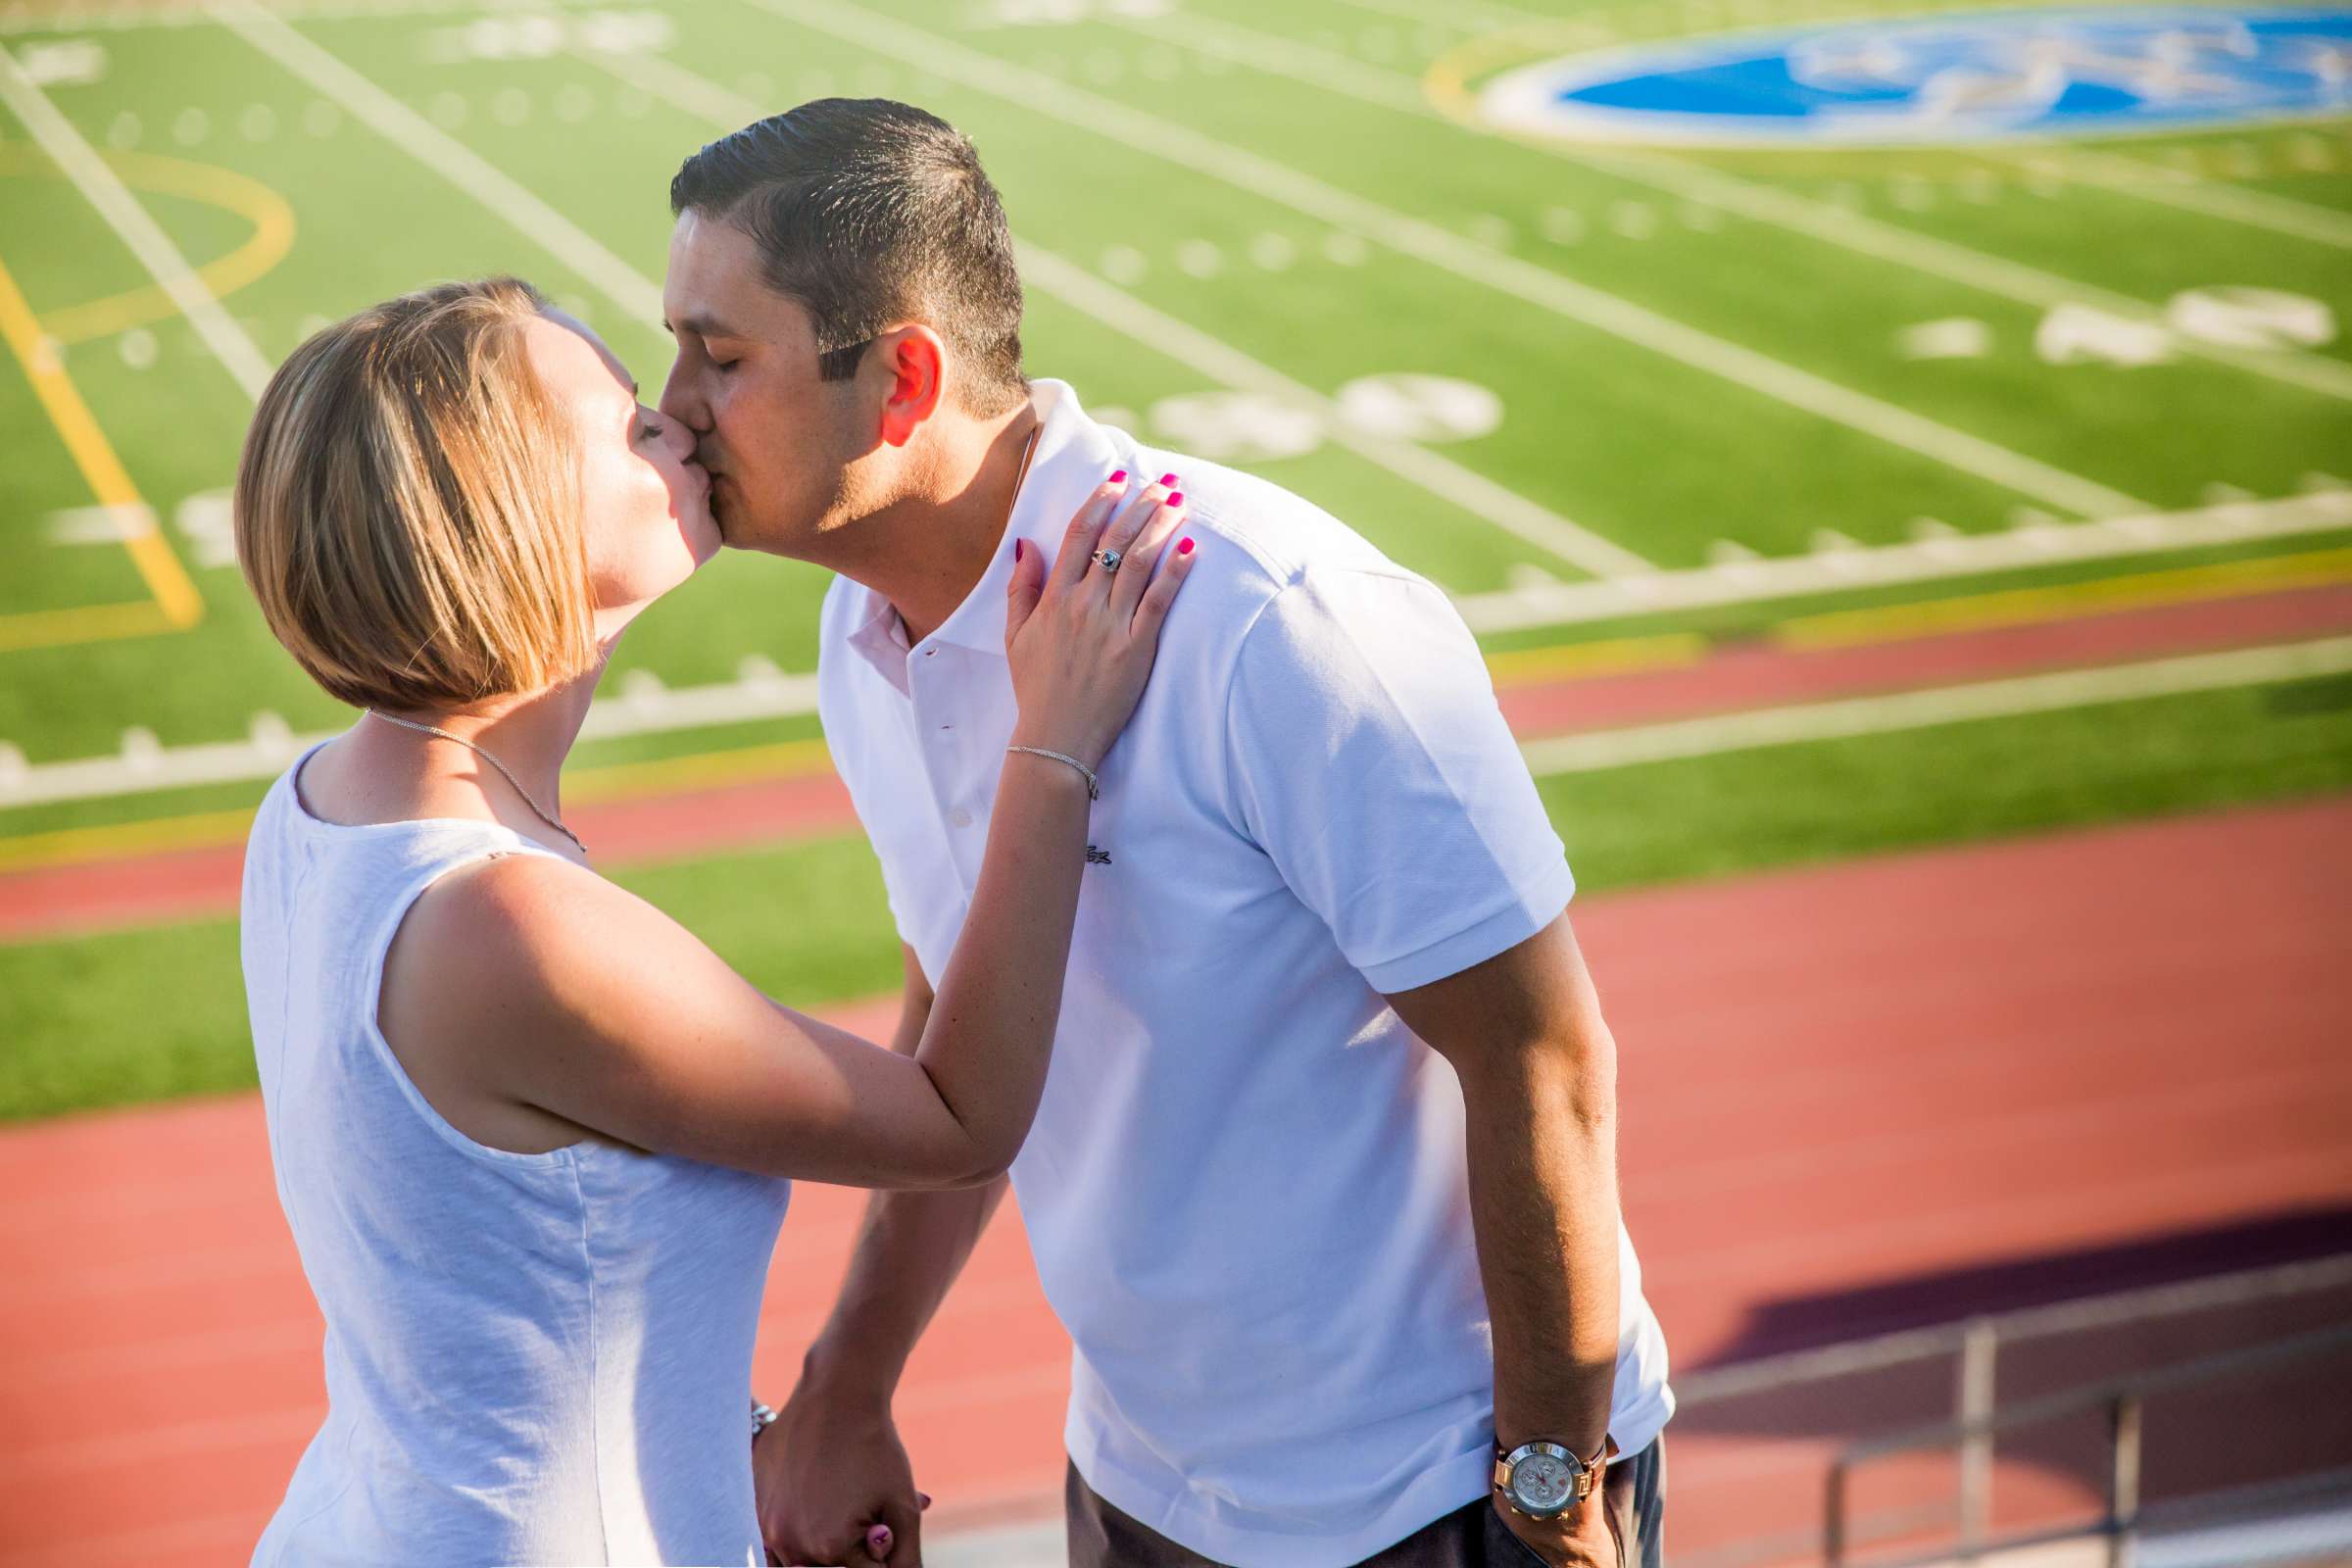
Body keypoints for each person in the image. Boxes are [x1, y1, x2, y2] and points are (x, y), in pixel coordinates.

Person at [657, 101, 1673, 1568]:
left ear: (901, 381)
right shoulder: (860, 635)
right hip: (1140, 1485)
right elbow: (969, 1015)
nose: (669, 406)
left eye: (721, 354)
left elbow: (1546, 1060)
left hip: (1424, 1503)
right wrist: (849, 1378)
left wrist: (1545, 1492)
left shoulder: (1269, 622)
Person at [231, 275, 1195, 1566]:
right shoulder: (510, 928)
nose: (679, 426)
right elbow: (960, 1124)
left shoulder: (315, 804)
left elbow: (499, 1276)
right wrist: (1048, 745)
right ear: (507, 519)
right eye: (629, 429)